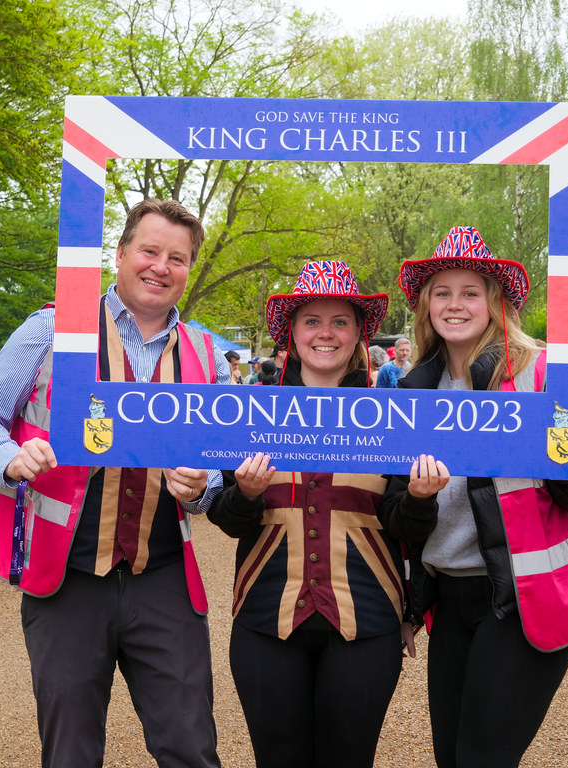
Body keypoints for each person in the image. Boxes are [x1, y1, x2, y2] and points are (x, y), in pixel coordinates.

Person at [0, 198, 227, 768]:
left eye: (177, 258)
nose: (160, 266)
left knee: (191, 748)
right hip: (67, 578)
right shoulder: (53, 328)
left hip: (163, 578)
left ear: (189, 269)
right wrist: (9, 456)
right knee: (71, 751)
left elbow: (220, 461)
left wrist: (202, 487)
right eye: (149, 251)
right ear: (122, 253)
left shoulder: (208, 355)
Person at [395, 226, 568, 768]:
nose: (455, 305)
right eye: (442, 293)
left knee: (481, 759)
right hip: (449, 602)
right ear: (427, 306)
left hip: (526, 597)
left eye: (470, 292)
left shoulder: (542, 372)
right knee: (451, 757)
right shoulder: (411, 391)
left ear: (495, 302)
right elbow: (402, 518)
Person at [207, 260, 437, 768]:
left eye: (340, 321)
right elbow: (227, 519)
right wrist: (244, 494)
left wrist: (421, 499)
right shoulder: (249, 411)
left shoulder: (396, 416)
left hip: (368, 618)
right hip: (267, 616)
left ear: (358, 333)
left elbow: (404, 525)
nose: (325, 334)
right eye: (312, 320)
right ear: (293, 330)